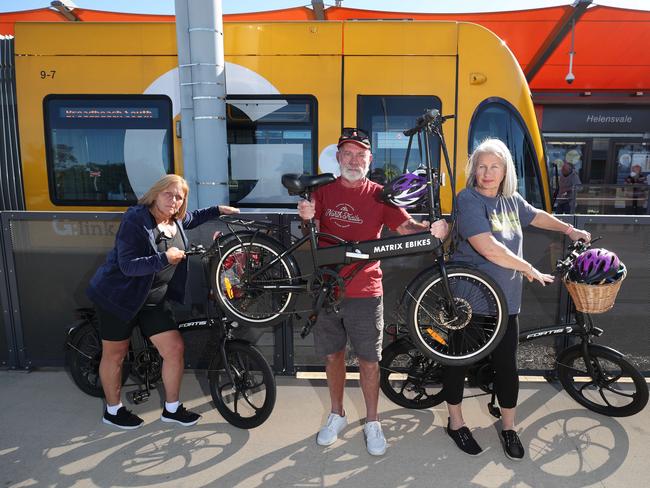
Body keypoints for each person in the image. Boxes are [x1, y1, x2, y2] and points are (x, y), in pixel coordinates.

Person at [297, 128, 448, 456]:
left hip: (366, 289)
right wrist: (305, 214)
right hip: (328, 288)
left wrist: (432, 228)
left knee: (369, 360)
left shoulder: (380, 195)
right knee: (333, 355)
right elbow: (311, 225)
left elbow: (405, 227)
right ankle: (336, 414)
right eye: (347, 154)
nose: (353, 160)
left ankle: (373, 421)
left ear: (370, 159)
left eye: (360, 154)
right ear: (338, 158)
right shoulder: (322, 191)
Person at [443, 139, 590, 460]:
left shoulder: (510, 199)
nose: (487, 172)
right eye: (481, 166)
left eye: (494, 166)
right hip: (470, 304)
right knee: (458, 364)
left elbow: (535, 215)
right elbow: (487, 247)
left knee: (507, 368)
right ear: (473, 170)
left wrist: (569, 230)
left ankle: (509, 427)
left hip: (506, 303)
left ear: (505, 170)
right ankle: (456, 423)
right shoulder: (468, 199)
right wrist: (527, 267)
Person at [86, 174, 239, 429]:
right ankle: (113, 411)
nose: (174, 200)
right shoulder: (136, 218)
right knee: (116, 354)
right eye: (169, 194)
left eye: (180, 196)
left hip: (153, 299)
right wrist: (164, 258)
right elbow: (127, 265)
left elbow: (193, 217)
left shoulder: (175, 219)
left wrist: (217, 210)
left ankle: (172, 409)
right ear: (155, 194)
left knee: (174, 349)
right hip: (119, 298)